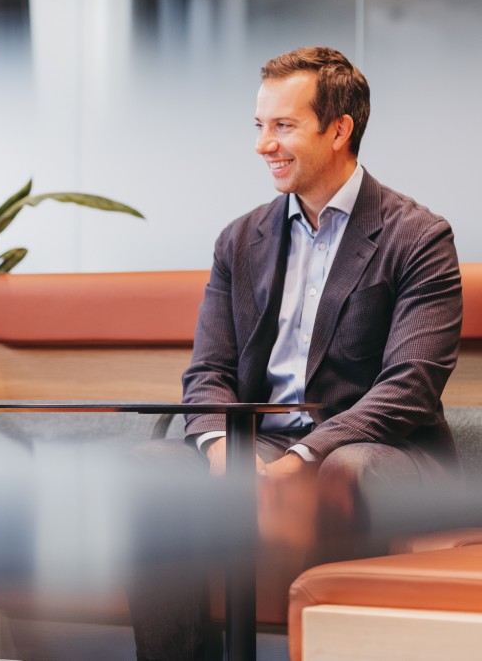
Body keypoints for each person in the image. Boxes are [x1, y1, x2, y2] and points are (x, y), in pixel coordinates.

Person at [128, 47, 462, 660]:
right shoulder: (240, 238)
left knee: (343, 472)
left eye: (283, 126)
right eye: (260, 126)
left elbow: (410, 384)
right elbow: (208, 371)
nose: (264, 146)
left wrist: (304, 457)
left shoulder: (418, 236)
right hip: (258, 442)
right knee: (154, 469)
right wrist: (227, 452)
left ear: (340, 130)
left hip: (379, 452)